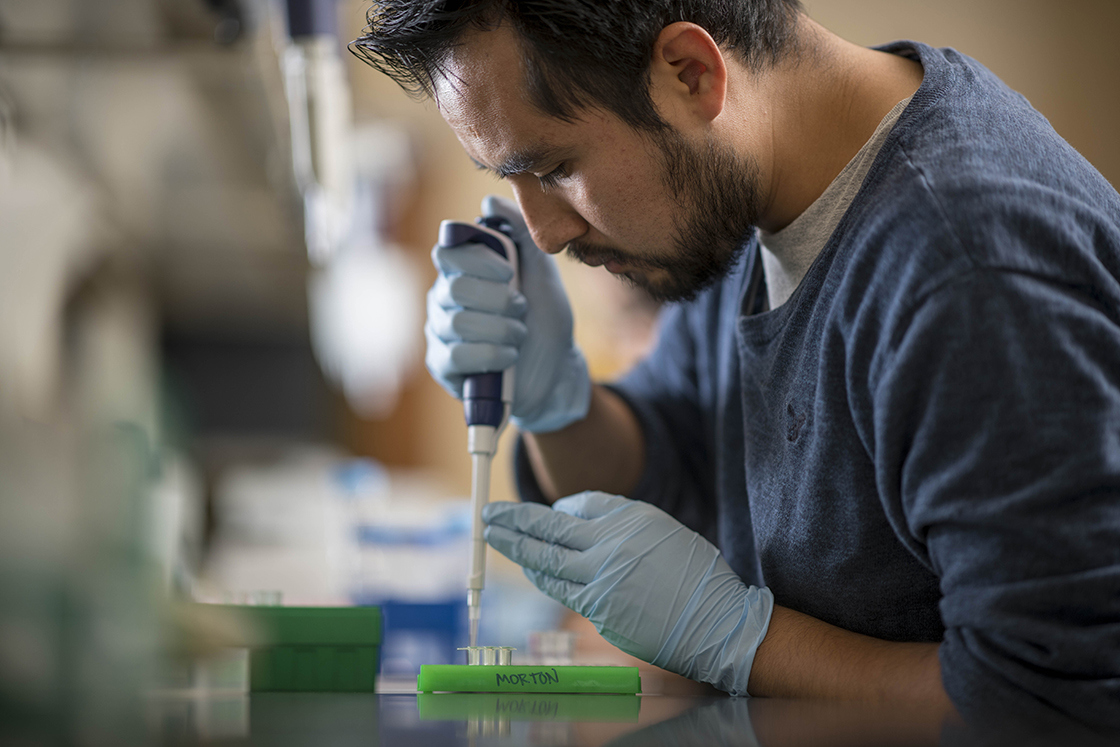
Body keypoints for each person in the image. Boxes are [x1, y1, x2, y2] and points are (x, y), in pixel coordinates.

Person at [352, 0, 1120, 734]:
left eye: (553, 167)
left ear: (691, 74)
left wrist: (740, 639)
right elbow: (671, 461)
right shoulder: (746, 196)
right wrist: (557, 404)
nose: (546, 234)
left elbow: (1049, 708)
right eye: (509, 180)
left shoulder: (969, 272)